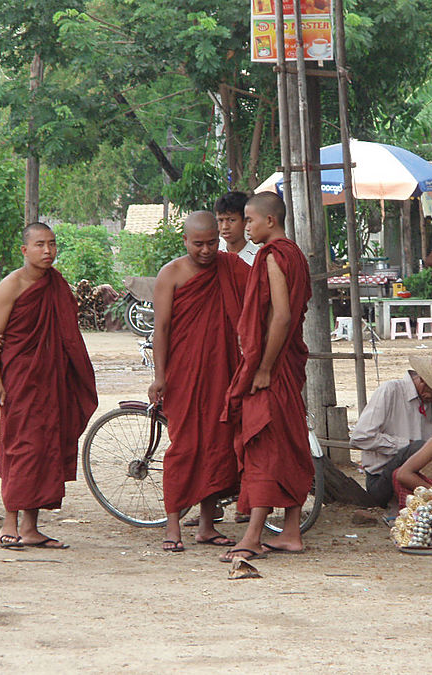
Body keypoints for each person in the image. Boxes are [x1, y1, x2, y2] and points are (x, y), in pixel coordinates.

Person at [0, 222, 98, 549]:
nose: (48, 251)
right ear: (25, 250)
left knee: (46, 447)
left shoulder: (57, 286)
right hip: (20, 377)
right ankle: (9, 521)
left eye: (52, 244)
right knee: (21, 447)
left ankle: (30, 528)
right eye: (40, 245)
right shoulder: (11, 286)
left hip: (52, 378)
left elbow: (66, 334)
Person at [148, 211, 250, 552]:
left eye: (211, 243)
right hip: (185, 373)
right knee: (186, 448)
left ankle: (207, 526)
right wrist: (159, 376)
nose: (206, 251)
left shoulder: (230, 267)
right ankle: (173, 524)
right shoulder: (172, 274)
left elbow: (261, 295)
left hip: (223, 370)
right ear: (185, 241)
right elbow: (160, 329)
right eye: (198, 245)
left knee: (220, 447)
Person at [219, 192, 312, 561]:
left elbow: (282, 316)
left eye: (249, 220)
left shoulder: (273, 255)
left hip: (274, 364)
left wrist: (263, 367)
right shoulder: (296, 255)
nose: (246, 226)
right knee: (288, 443)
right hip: (288, 361)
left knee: (264, 445)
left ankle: (253, 536)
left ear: (269, 221)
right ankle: (290, 533)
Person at [350, 350, 432, 507]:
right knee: (418, 447)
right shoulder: (390, 391)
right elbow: (360, 437)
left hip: (420, 475)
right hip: (383, 479)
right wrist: (407, 446)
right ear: (424, 380)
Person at [215, 191, 259, 266]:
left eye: (231, 220)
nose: (225, 227)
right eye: (220, 220)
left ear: (245, 221)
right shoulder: (214, 256)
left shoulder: (257, 257)